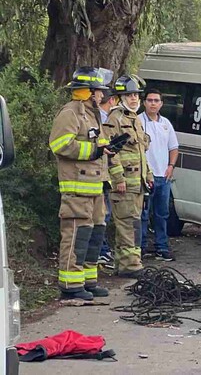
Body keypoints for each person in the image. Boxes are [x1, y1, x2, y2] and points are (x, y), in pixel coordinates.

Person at [48, 67, 113, 301]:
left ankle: (87, 280)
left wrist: (106, 148)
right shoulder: (71, 113)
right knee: (76, 235)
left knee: (94, 235)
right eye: (98, 91)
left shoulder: (92, 114)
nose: (101, 96)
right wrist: (94, 150)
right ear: (88, 91)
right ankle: (70, 285)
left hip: (95, 187)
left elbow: (98, 143)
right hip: (77, 188)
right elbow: (60, 144)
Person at [104, 74, 153, 278]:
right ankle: (130, 266)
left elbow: (141, 152)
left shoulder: (135, 120)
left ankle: (125, 263)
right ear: (121, 97)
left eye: (136, 95)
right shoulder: (114, 119)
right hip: (124, 185)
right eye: (130, 95)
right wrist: (118, 180)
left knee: (132, 223)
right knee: (127, 224)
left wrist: (148, 174)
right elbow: (109, 152)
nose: (134, 99)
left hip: (137, 184)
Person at [138, 89, 179, 261]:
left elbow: (174, 147)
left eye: (156, 100)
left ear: (161, 103)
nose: (153, 103)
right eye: (149, 100)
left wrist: (171, 166)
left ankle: (161, 246)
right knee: (143, 215)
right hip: (146, 176)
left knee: (162, 214)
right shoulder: (138, 121)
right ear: (144, 102)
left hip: (163, 176)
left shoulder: (166, 123)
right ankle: (140, 247)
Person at [97, 88, 118, 270]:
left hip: (104, 175)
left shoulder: (103, 118)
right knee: (101, 215)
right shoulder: (102, 120)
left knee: (104, 214)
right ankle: (101, 251)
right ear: (112, 100)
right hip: (97, 176)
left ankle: (102, 250)